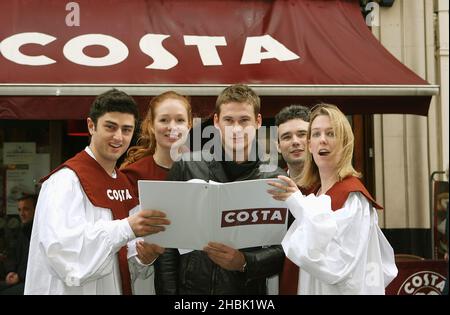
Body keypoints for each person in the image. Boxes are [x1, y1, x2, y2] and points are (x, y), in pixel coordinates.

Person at [24, 89, 170, 295]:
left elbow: (118, 264)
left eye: (127, 130)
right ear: (91, 126)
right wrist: (126, 228)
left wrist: (142, 256)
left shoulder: (124, 185)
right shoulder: (65, 181)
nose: (118, 137)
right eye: (110, 127)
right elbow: (62, 252)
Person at [155, 84, 286, 295]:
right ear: (216, 121)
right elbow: (166, 244)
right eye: (228, 120)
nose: (236, 129)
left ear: (258, 122)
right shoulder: (187, 166)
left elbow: (285, 249)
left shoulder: (275, 178)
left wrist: (245, 262)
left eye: (244, 120)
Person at [268, 103, 398, 294]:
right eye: (316, 134)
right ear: (310, 146)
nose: (323, 141)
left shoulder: (352, 197)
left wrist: (299, 205)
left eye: (331, 134)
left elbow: (337, 266)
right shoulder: (316, 195)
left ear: (345, 142)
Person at [120, 91, 193, 294]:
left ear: (189, 125)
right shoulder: (131, 175)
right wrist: (141, 254)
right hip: (148, 284)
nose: (172, 127)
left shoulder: (206, 171)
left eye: (179, 120)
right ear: (151, 125)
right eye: (164, 120)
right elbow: (119, 238)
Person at [273, 105, 311, 294]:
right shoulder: (270, 189)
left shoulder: (331, 190)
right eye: (287, 137)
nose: (295, 141)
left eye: (302, 134)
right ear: (278, 146)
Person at [0, 194, 37, 295]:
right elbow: (13, 255)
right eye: (19, 210)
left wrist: (19, 276)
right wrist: (10, 271)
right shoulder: (22, 231)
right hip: (18, 278)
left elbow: (37, 264)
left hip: (32, 282)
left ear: (36, 210)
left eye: (26, 209)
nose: (22, 214)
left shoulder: (39, 233)